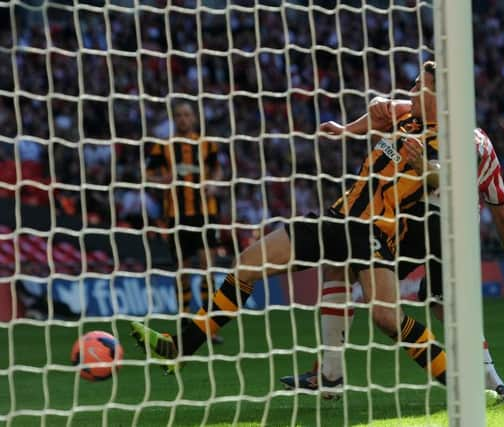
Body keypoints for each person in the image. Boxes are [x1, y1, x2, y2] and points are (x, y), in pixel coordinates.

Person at [131, 62, 451, 388]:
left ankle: (457, 380)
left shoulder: (449, 139)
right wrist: (347, 129)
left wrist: (422, 165)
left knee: (385, 317)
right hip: (338, 218)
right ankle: (179, 348)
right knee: (246, 266)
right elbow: (377, 112)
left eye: (418, 86)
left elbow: (443, 179)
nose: (411, 91)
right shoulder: (407, 115)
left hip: (375, 231)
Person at [279, 100, 504, 402]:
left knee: (348, 271)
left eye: (420, 87)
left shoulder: (431, 128)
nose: (413, 93)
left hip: (420, 221)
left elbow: (432, 170)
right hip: (457, 231)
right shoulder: (480, 141)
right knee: (445, 302)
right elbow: (503, 211)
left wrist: (351, 129)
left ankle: (330, 373)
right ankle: (492, 381)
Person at [146, 101, 223, 344]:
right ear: (173, 119)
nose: (183, 119)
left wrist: (213, 183)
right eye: (178, 115)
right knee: (183, 271)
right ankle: (183, 320)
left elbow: (218, 170)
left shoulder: (207, 144)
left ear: (194, 118)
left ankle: (206, 323)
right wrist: (162, 179)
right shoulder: (163, 147)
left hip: (204, 214)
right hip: (176, 216)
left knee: (207, 267)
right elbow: (148, 174)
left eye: (187, 115)